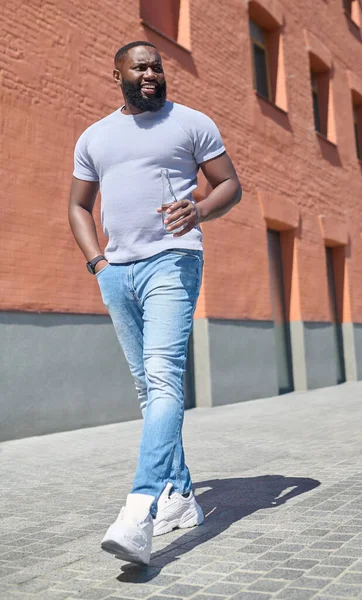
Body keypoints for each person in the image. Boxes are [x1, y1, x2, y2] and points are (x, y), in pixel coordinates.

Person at [68, 40, 242, 566]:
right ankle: (183, 496)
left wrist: (201, 210)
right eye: (140, 67)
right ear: (116, 72)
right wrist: (98, 263)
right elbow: (77, 206)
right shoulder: (94, 136)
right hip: (116, 272)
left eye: (157, 67)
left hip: (173, 261)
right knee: (148, 388)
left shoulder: (191, 123)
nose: (151, 74)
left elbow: (230, 184)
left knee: (163, 376)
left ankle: (138, 511)